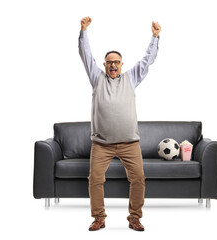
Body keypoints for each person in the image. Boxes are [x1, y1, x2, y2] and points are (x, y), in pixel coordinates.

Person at [78, 16, 161, 231]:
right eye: (109, 62)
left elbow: (147, 60)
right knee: (94, 179)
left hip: (129, 143)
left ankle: (134, 217)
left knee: (139, 179)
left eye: (116, 62)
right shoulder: (97, 78)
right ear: (104, 65)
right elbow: (85, 55)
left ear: (121, 65)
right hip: (101, 144)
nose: (113, 65)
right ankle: (99, 217)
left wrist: (155, 37)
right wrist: (84, 31)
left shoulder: (131, 78)